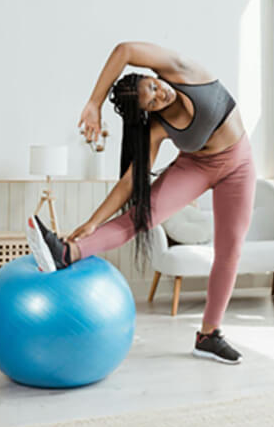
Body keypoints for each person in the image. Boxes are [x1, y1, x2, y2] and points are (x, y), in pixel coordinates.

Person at [25, 42, 255, 365]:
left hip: (238, 164)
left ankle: (208, 335)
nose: (161, 94)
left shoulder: (181, 70)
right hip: (196, 167)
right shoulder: (157, 127)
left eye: (153, 87)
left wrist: (94, 103)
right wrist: (93, 220)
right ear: (149, 113)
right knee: (139, 216)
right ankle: (65, 252)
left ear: (152, 76)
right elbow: (130, 183)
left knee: (231, 249)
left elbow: (125, 50)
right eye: (153, 101)